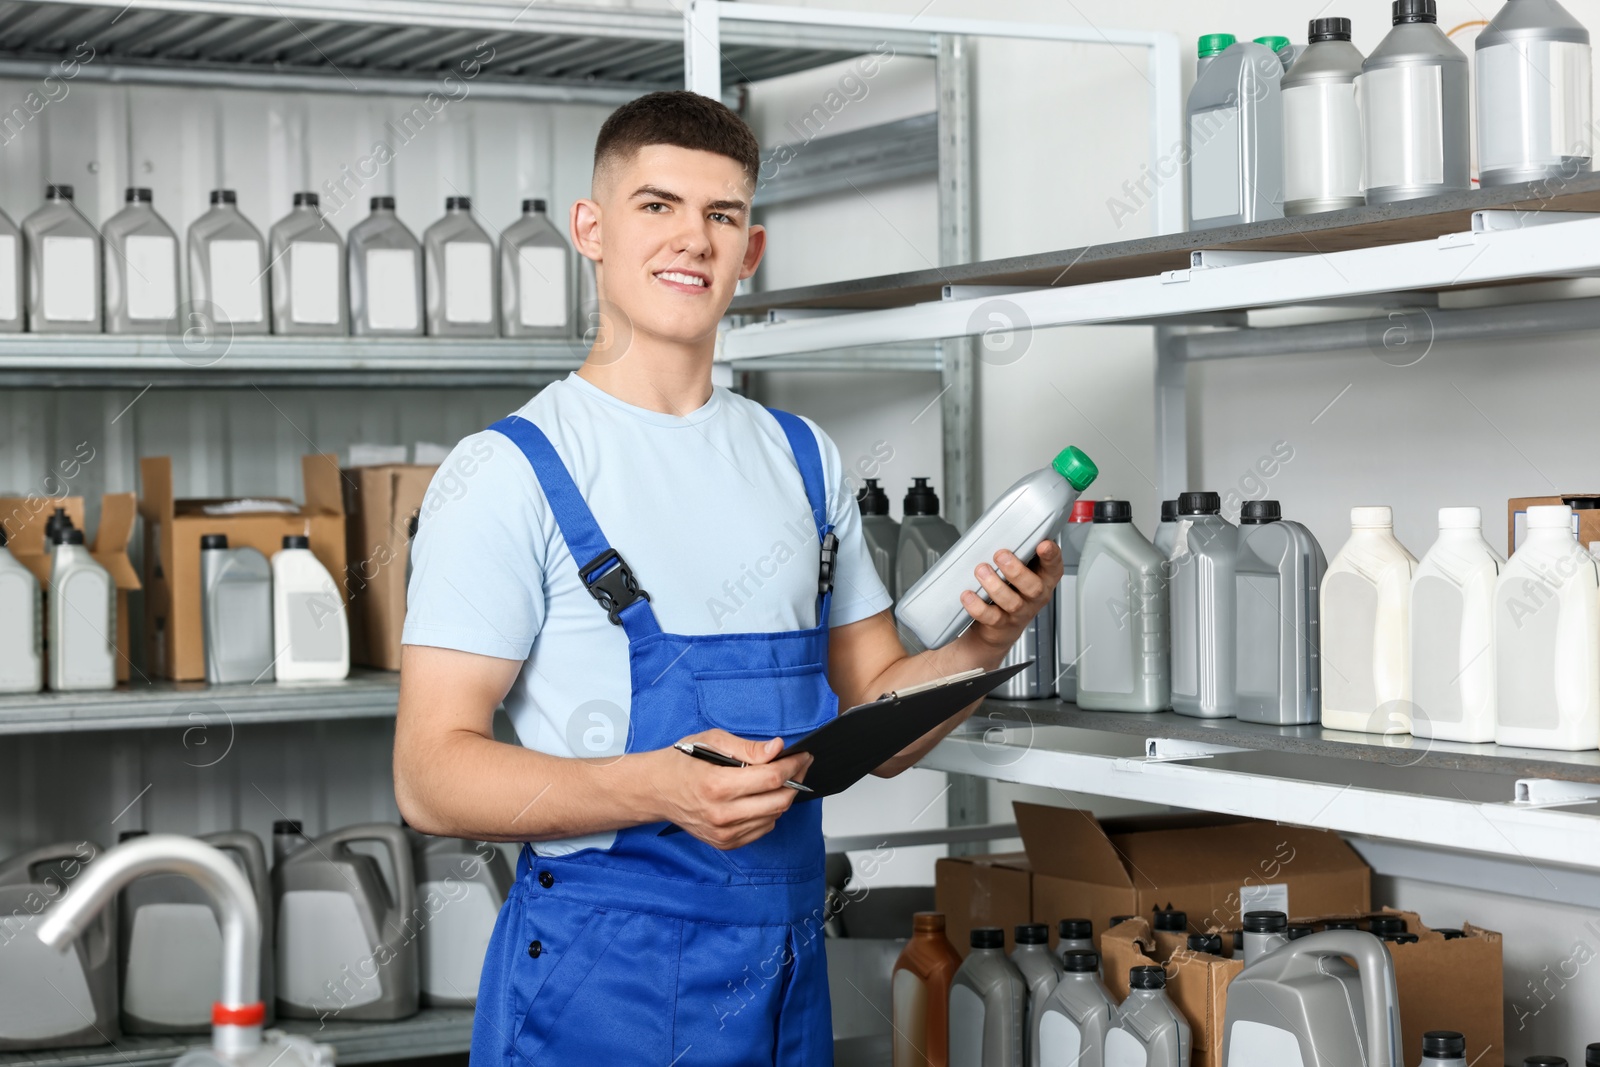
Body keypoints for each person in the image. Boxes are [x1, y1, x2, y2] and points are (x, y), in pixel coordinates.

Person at [393, 90, 1060, 1065]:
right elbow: (430, 773)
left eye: (722, 214)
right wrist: (654, 788)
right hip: (598, 971)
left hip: (783, 964)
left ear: (750, 250)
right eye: (656, 206)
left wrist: (979, 645)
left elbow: (876, 713)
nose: (691, 239)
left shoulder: (801, 457)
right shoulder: (509, 469)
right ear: (591, 229)